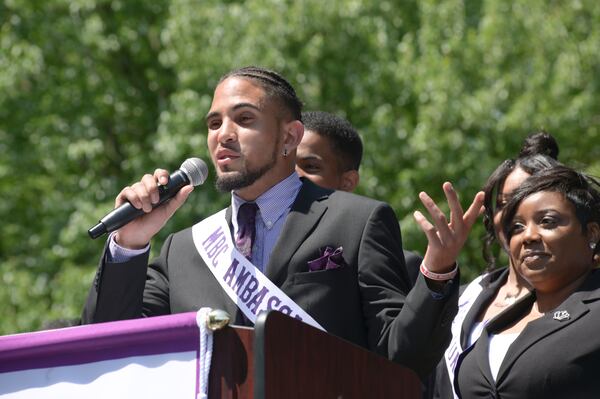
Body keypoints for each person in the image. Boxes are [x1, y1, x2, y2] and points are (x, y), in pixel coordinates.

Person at [81, 66, 482, 378]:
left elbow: (402, 357)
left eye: (244, 118)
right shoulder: (184, 250)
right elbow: (107, 348)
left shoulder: (355, 221)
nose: (224, 135)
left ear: (289, 137)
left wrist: (437, 273)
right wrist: (129, 244)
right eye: (214, 123)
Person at [432, 132, 561, 398]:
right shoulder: (466, 296)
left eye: (528, 199)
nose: (517, 214)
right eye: (505, 204)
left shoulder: (584, 296)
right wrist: (437, 268)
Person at [455, 165, 600, 398]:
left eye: (548, 221)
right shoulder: (498, 322)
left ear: (591, 234)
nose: (528, 236)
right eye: (517, 228)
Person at [296, 110, 422, 284]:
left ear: (348, 182)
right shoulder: (250, 238)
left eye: (310, 166)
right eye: (286, 165)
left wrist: (437, 270)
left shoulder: (405, 266)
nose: (293, 176)